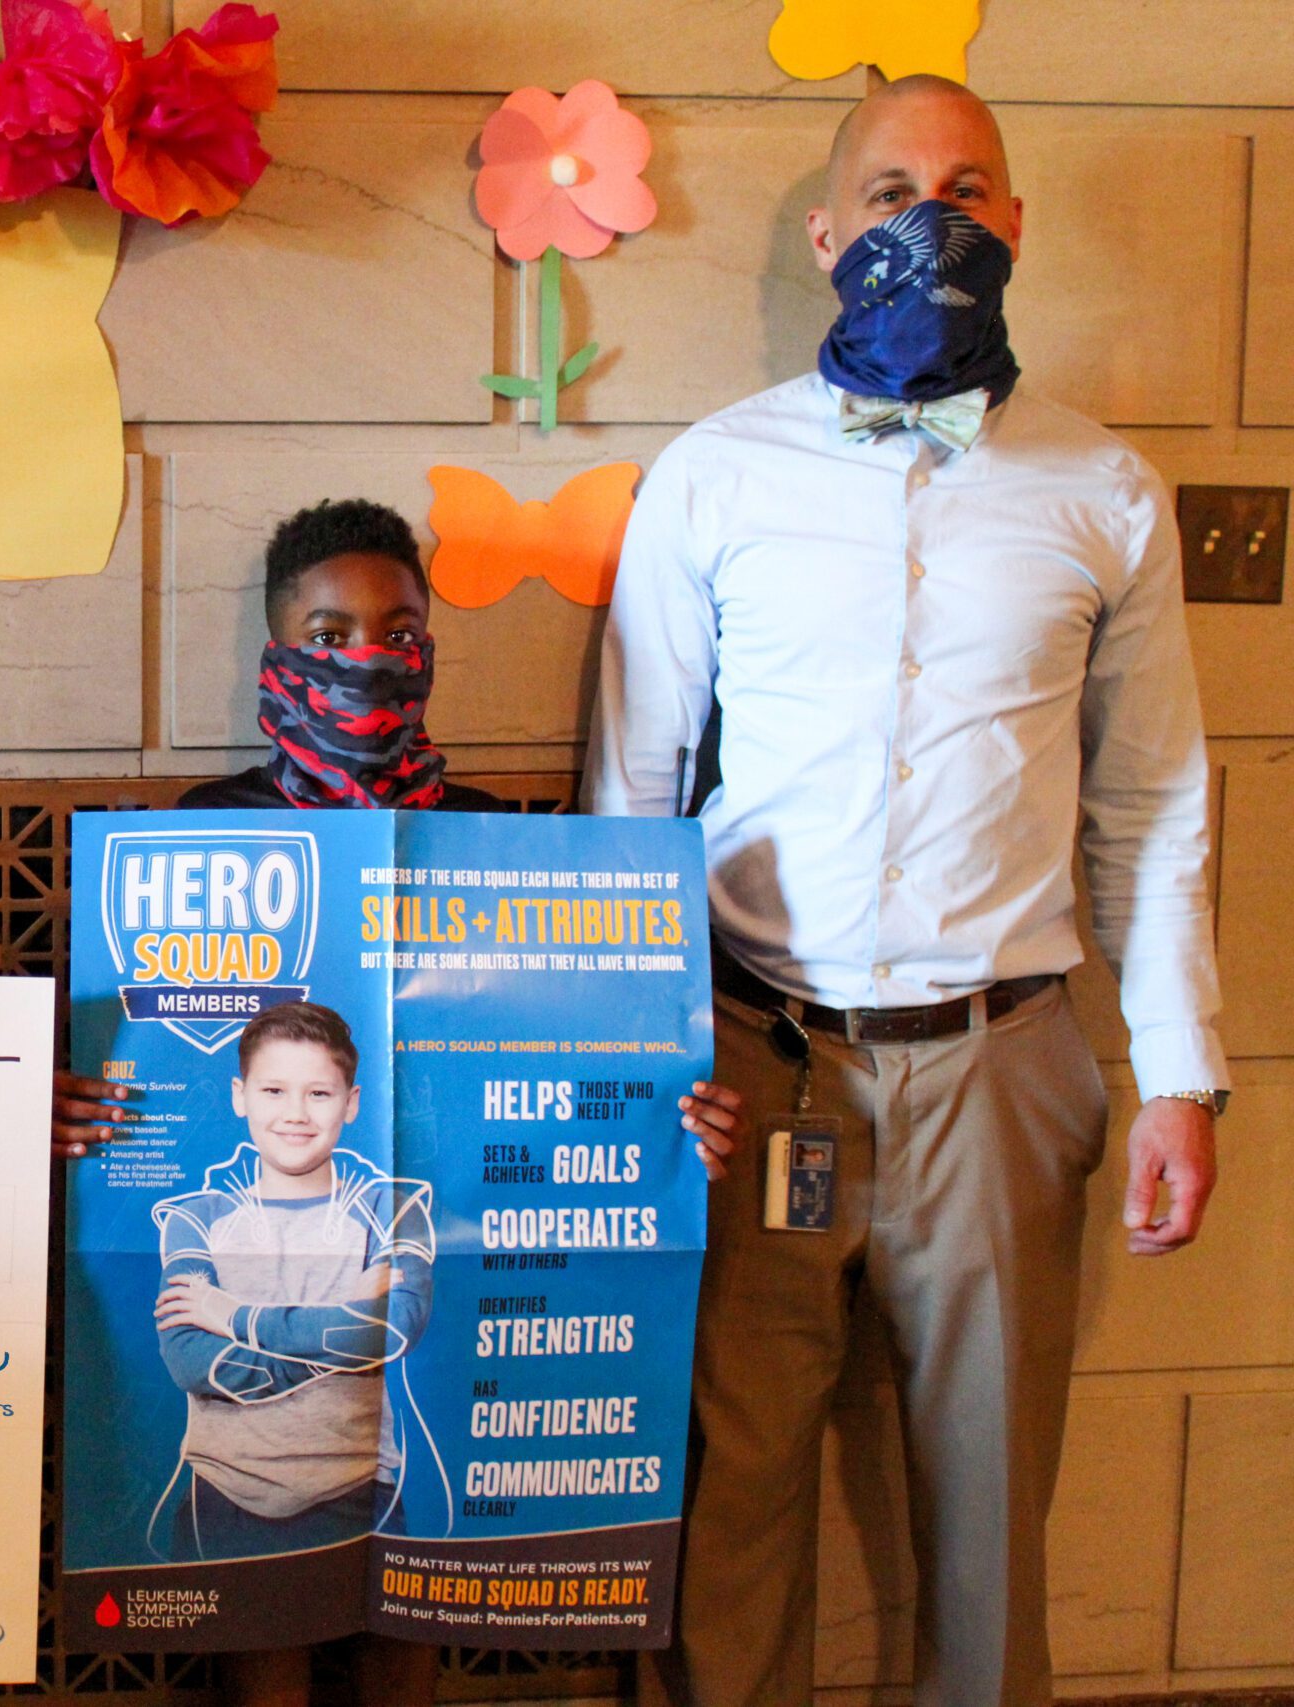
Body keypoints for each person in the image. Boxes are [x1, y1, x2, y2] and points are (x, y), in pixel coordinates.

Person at [584, 75, 1226, 1707]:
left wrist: (1177, 1074)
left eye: (965, 186)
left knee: (987, 1527)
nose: (927, 218)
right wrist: (636, 1059)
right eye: (888, 191)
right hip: (747, 1063)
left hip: (1003, 1065)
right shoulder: (713, 479)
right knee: (722, 1524)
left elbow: (1152, 800)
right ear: (827, 232)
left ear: (1014, 222)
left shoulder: (1108, 493)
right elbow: (634, 794)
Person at [58, 499, 745, 1706]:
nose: (366, 655)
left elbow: (587, 1061)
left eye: (398, 628)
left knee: (411, 1629)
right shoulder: (199, 834)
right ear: (274, 650)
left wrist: (667, 1126)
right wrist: (66, 1104)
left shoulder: (504, 842)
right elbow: (193, 1345)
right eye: (327, 632)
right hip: (240, 1475)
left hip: (414, 1402)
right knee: (259, 1647)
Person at [151, 1002, 437, 1563]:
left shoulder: (394, 1209)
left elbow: (393, 1333)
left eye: (320, 1094)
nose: (296, 1113)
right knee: (263, 1655)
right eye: (274, 1091)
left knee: (399, 1652)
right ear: (241, 1097)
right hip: (222, 1500)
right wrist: (343, 1322)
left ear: (351, 1104)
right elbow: (192, 1364)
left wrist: (234, 1317)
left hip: (361, 1494)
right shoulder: (195, 1217)